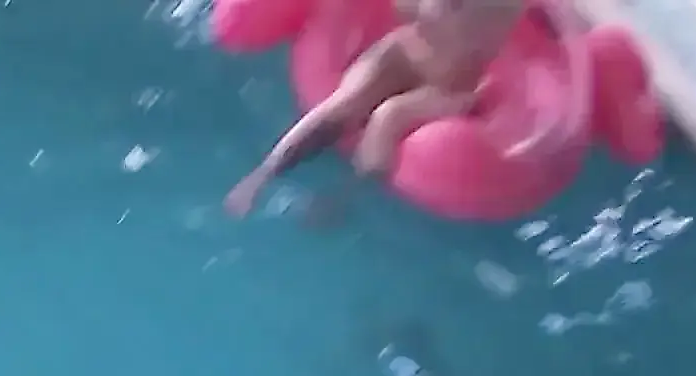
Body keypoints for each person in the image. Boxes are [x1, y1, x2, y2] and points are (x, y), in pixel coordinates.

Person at [224, 0, 526, 217]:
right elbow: (404, 9)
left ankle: (345, 196)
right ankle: (263, 174)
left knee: (388, 116)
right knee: (345, 102)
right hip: (404, 50)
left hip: (450, 89)